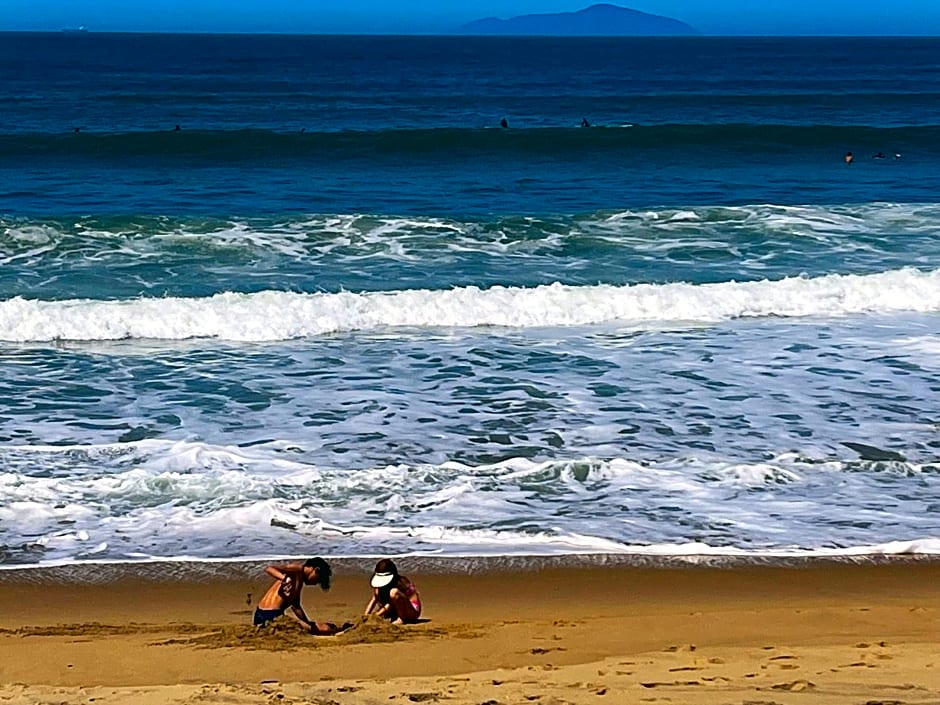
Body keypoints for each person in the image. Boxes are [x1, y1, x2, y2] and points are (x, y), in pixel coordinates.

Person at [254, 557, 342, 634]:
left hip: (259, 615)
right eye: (318, 579)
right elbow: (269, 568)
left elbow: (296, 607)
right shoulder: (298, 569)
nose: (315, 583)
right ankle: (336, 630)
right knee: (325, 629)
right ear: (316, 570)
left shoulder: (298, 583)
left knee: (312, 627)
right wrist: (284, 579)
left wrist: (307, 623)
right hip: (272, 616)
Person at [363, 558, 421, 624]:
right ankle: (395, 615)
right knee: (379, 591)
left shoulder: (401, 583)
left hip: (412, 611)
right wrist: (366, 616)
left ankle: (401, 618)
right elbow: (373, 600)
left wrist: (375, 616)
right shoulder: (380, 587)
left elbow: (389, 606)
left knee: (394, 592)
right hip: (396, 610)